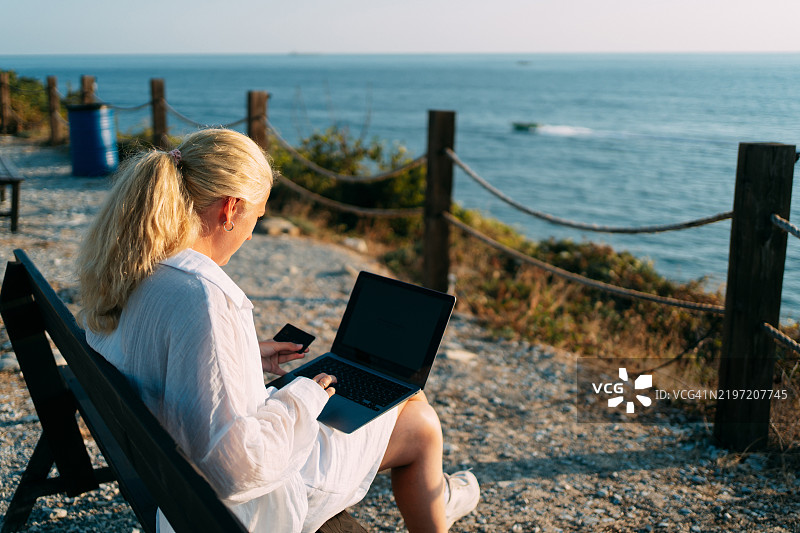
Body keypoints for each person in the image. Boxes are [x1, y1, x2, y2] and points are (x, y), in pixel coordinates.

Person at [76, 128, 479, 533]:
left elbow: (156, 359)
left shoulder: (134, 266)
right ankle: (439, 499)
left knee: (405, 399)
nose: (252, 233)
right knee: (421, 420)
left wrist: (244, 355)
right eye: (257, 217)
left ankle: (441, 495)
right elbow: (237, 469)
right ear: (231, 209)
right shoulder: (206, 295)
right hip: (253, 504)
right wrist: (306, 395)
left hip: (171, 477)